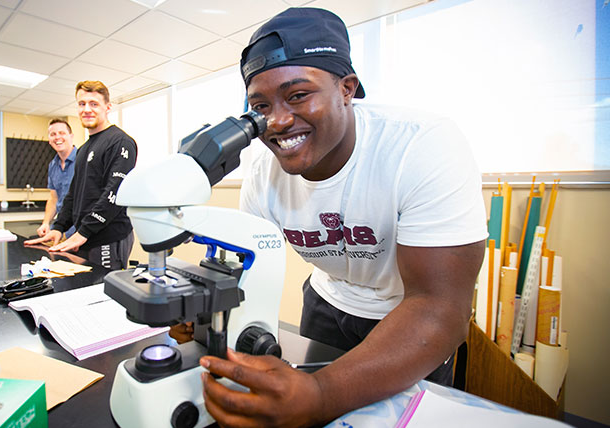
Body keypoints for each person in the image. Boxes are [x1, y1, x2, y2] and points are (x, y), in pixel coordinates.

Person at [169, 7, 487, 427]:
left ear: (347, 89)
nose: (278, 121)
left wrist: (322, 393)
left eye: (298, 95)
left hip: (408, 317)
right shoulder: (263, 175)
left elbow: (439, 306)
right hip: (327, 302)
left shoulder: (423, 146)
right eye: (260, 106)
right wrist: (203, 307)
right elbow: (240, 267)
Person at [24, 81, 137, 270]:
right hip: (84, 237)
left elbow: (115, 192)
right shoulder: (84, 149)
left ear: (107, 107)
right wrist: (58, 227)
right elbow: (73, 195)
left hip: (107, 237)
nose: (87, 109)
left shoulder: (120, 142)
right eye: (81, 104)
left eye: (94, 104)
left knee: (103, 292)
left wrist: (83, 232)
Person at [36, 117, 76, 239]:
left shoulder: (83, 161)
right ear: (49, 140)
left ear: (71, 136)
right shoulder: (52, 165)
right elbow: (54, 199)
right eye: (53, 134)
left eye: (62, 133)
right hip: (61, 227)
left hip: (80, 230)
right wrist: (46, 223)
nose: (57, 137)